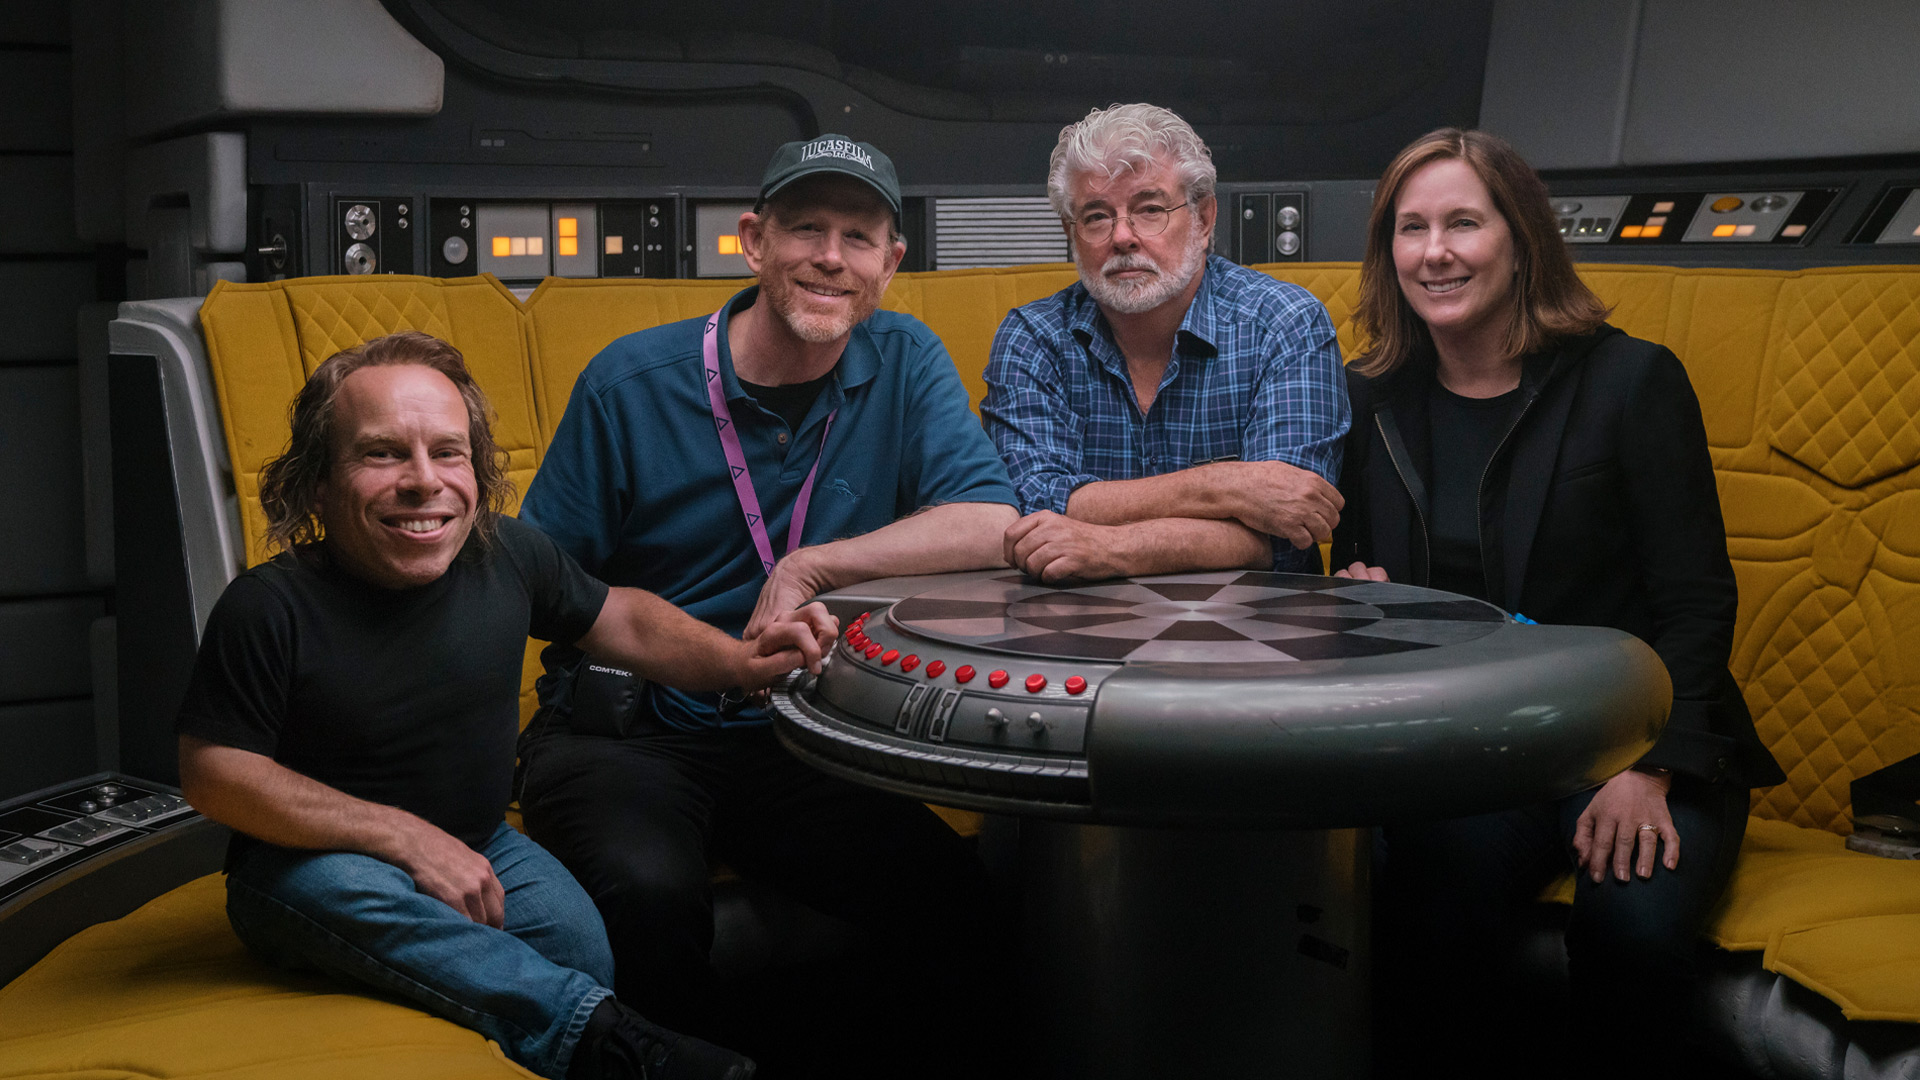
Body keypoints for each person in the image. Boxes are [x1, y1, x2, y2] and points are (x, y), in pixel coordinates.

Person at [176, 332, 839, 1080]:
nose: (424, 482)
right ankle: (622, 1051)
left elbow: (619, 617)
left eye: (448, 452)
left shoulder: (507, 555)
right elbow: (213, 772)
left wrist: (740, 661)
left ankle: (572, 1029)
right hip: (313, 869)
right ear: (319, 484)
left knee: (582, 950)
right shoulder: (267, 607)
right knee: (351, 893)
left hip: (480, 843)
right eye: (383, 453)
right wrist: (404, 839)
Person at [514, 134, 1019, 1073]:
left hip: (797, 733)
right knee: (650, 896)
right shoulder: (631, 383)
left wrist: (813, 567)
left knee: (952, 894)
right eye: (806, 229)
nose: (832, 257)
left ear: (891, 264)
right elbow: (546, 587)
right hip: (631, 731)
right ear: (753, 240)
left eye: (859, 237)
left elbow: (990, 522)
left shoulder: (903, 358)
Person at [1327, 129, 1785, 1077]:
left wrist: (1649, 767)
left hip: (1637, 740)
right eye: (1410, 229)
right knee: (1415, 911)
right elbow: (1364, 584)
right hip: (1474, 750)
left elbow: (1696, 599)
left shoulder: (1632, 381)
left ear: (1523, 236)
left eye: (1463, 222)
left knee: (1631, 933)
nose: (1434, 251)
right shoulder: (1367, 400)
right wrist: (1355, 603)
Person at [981, 102, 1349, 582]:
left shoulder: (1285, 323)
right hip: (1073, 634)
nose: (1122, 236)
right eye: (1095, 217)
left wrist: (1111, 546)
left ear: (1204, 219)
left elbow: (1287, 531)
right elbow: (1031, 507)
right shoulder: (1032, 337)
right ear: (1071, 235)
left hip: (1255, 636)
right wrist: (1225, 488)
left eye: (1150, 209)